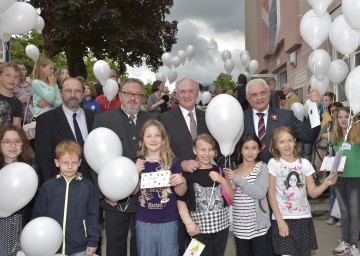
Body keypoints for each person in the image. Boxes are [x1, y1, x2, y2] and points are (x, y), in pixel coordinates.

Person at [92, 78, 155, 256]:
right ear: (120, 95)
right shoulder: (103, 120)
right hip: (114, 197)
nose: (133, 98)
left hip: (145, 196)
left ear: (143, 98)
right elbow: (94, 157)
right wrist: (103, 193)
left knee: (142, 244)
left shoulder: (153, 121)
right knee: (115, 244)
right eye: (128, 94)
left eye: (137, 95)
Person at [158, 78, 211, 255]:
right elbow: (160, 150)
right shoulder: (164, 119)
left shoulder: (209, 117)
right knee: (180, 236)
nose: (187, 95)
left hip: (204, 190)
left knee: (200, 237)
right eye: (182, 91)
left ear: (197, 93)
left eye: (190, 91)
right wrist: (181, 163)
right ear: (175, 94)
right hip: (177, 186)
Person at [267, 127, 337, 256]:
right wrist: (280, 221)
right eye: (282, 142)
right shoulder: (274, 163)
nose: (287, 145)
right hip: (283, 218)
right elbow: (271, 193)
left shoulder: (304, 164)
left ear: (295, 141)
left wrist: (325, 184)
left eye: (289, 140)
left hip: (303, 218)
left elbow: (312, 192)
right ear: (275, 145)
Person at [32, 140, 101, 256]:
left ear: (80, 163)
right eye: (65, 162)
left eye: (74, 162)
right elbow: (39, 214)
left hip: (80, 246)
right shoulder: (48, 187)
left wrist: (93, 241)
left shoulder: (87, 186)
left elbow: (94, 215)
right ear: (57, 162)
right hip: (52, 245)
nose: (70, 167)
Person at [133, 120, 187, 256]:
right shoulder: (138, 162)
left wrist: (182, 181)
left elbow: (181, 192)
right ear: (142, 139)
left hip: (168, 221)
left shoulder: (172, 161)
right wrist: (134, 174)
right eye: (148, 136)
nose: (153, 139)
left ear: (164, 139)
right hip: (144, 221)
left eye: (157, 135)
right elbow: (133, 192)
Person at [177, 134, 233, 256]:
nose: (207, 154)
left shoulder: (219, 170)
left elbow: (232, 197)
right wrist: (188, 223)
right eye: (202, 149)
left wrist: (223, 181)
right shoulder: (188, 173)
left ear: (215, 151)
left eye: (210, 149)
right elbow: (180, 201)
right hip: (197, 230)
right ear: (194, 150)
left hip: (221, 228)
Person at [243, 78, 321, 163]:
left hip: (280, 174)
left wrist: (314, 107)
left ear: (269, 93)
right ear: (248, 98)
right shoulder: (240, 119)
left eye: (263, 93)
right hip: (247, 174)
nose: (259, 97)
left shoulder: (286, 116)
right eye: (254, 95)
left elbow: (308, 136)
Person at [35, 77, 95, 184]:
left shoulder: (94, 118)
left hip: (93, 186)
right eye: (68, 91)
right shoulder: (45, 121)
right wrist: (52, 189)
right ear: (60, 93)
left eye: (77, 91)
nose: (73, 95)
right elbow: (44, 161)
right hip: (61, 186)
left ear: (83, 94)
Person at [225, 133, 271, 256]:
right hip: (240, 226)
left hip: (258, 226)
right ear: (240, 150)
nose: (250, 152)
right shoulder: (234, 170)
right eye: (246, 148)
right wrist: (226, 182)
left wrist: (238, 179)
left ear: (259, 150)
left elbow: (260, 193)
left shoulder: (262, 167)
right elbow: (231, 197)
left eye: (254, 148)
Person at [0, 125, 34, 256]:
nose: (12, 146)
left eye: (17, 141)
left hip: (21, 226)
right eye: (7, 141)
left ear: (23, 144)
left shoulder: (32, 170)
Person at [331, 107, 360, 256]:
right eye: (340, 117)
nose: (343, 119)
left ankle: (354, 244)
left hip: (356, 179)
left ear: (351, 119)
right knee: (344, 213)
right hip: (339, 179)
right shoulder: (335, 137)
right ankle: (345, 242)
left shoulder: (357, 136)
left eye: (346, 117)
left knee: (355, 213)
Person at [0, 62, 23, 129]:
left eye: (16, 76)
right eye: (8, 75)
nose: (12, 79)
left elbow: (17, 127)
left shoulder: (17, 103)